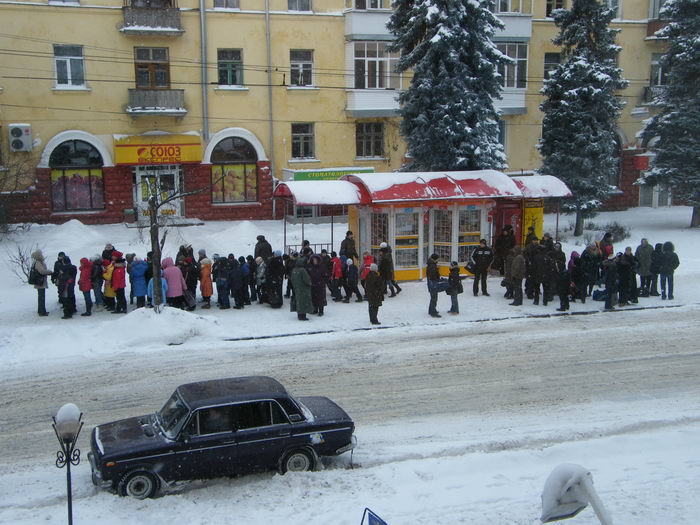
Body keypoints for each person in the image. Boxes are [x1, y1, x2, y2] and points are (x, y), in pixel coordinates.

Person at [31, 249, 53, 316]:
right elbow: (42, 271)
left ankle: (41, 310)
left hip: (40, 282)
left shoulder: (36, 262)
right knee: (41, 297)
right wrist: (50, 272)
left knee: (41, 297)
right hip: (40, 282)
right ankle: (42, 312)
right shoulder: (38, 263)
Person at [291, 255, 312, 320]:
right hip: (304, 288)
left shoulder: (294, 270)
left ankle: (299, 315)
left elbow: (292, 279)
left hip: (297, 288)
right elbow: (307, 279)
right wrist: (310, 284)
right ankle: (303, 316)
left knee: (299, 301)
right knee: (304, 302)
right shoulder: (303, 270)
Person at [427, 253, 442, 318]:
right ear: (435, 259)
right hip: (433, 283)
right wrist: (438, 279)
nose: (438, 260)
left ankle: (431, 310)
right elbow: (433, 275)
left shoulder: (431, 264)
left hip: (431, 283)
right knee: (434, 298)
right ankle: (433, 312)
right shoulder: (432, 266)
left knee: (432, 297)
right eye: (437, 259)